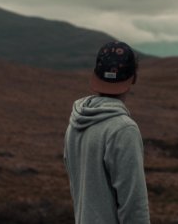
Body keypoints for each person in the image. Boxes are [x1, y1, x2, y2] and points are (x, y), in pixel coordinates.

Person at [64, 41, 150, 224]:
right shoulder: (123, 129)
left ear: (96, 75)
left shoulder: (75, 122)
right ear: (133, 78)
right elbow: (134, 205)